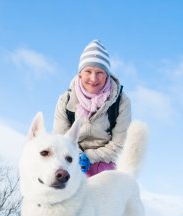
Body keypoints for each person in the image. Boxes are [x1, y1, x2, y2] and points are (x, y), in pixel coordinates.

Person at [53, 39, 131, 177]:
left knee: (100, 190)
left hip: (105, 161)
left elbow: (119, 145)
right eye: (88, 71)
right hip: (71, 158)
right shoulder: (65, 101)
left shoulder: (121, 102)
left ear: (107, 74)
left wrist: (89, 157)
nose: (93, 78)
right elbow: (60, 138)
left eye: (100, 72)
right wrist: (76, 155)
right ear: (80, 74)